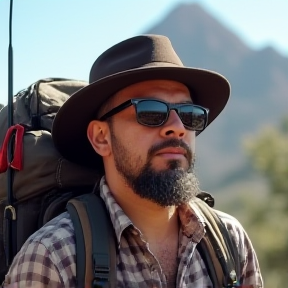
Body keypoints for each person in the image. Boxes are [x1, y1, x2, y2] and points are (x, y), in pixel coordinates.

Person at [3, 34, 263, 288]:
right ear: (101, 137)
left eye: (190, 114)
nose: (177, 128)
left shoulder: (229, 240)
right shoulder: (53, 258)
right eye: (151, 111)